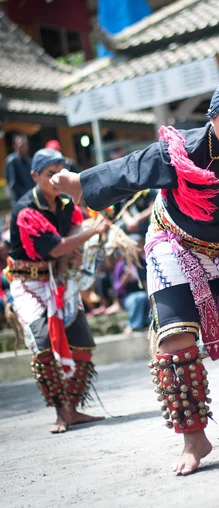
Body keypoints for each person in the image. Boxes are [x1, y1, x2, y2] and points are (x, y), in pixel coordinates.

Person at [51, 79, 219, 475]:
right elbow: (132, 169)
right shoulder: (184, 150)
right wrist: (78, 184)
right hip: (176, 244)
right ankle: (195, 439)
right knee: (175, 338)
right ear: (212, 120)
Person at [6, 148, 109, 433]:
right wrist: (90, 232)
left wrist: (79, 243)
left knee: (83, 345)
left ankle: (73, 409)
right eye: (51, 174)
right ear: (34, 176)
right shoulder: (26, 210)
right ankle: (61, 412)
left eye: (61, 174)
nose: (56, 179)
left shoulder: (65, 202)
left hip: (60, 279)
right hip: (29, 283)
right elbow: (54, 247)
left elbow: (73, 229)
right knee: (42, 344)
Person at [6, 134, 34, 207]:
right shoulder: (12, 161)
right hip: (21, 201)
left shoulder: (28, 160)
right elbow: (13, 184)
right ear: (15, 146)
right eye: (21, 146)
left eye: (26, 145)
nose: (24, 148)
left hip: (32, 198)